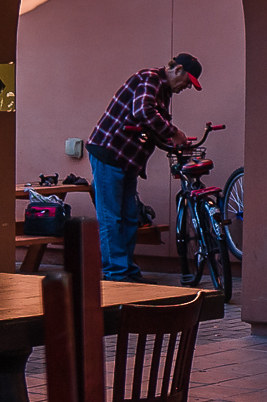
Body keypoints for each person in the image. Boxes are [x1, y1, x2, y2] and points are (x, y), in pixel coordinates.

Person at [85, 53, 202, 281]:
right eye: (187, 81)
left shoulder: (163, 90)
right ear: (177, 69)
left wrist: (174, 141)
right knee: (111, 216)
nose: (186, 87)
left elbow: (151, 126)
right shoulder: (149, 79)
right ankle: (116, 273)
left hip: (127, 160)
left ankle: (126, 269)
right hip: (109, 153)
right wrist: (174, 133)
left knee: (129, 216)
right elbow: (143, 112)